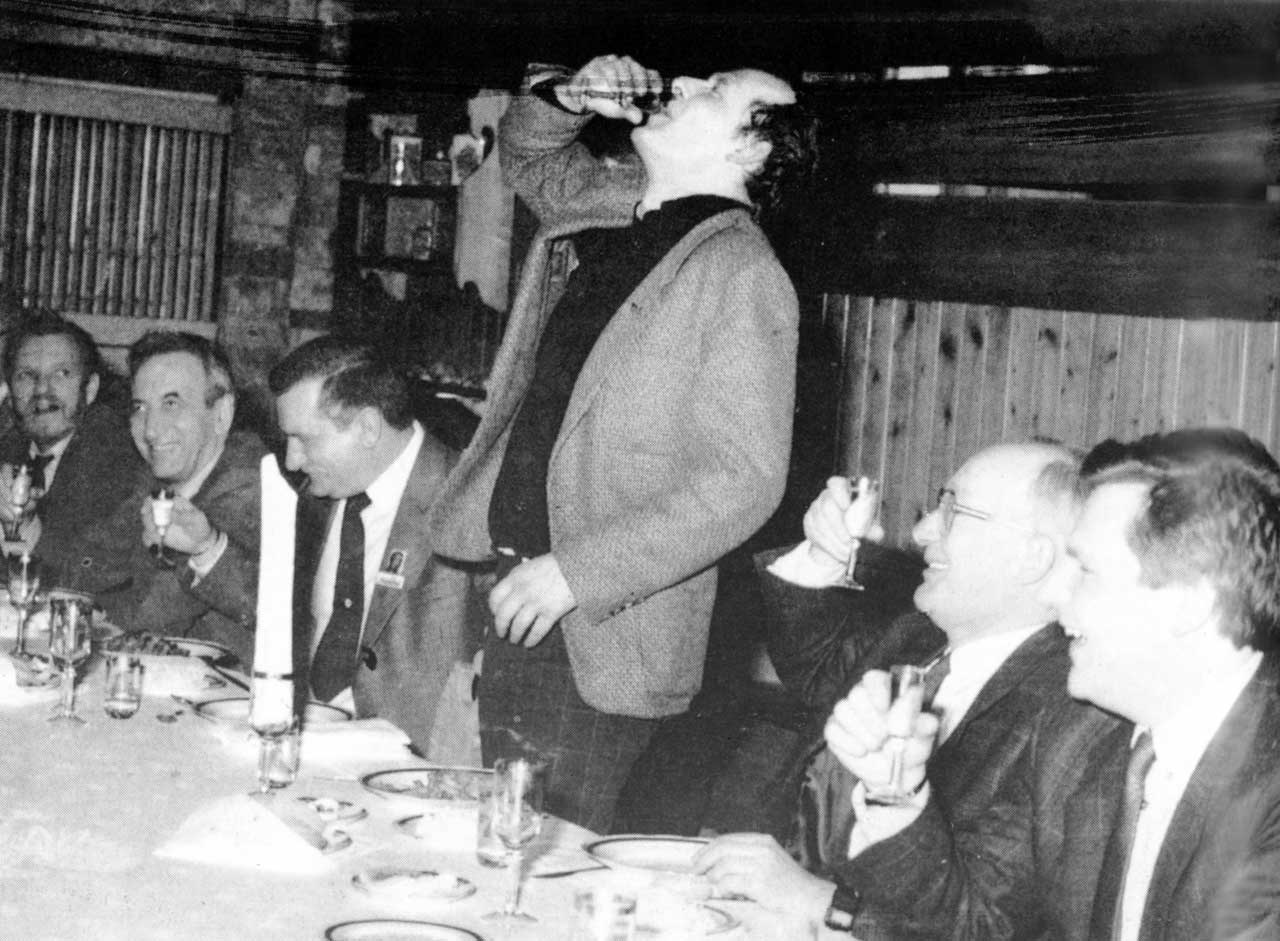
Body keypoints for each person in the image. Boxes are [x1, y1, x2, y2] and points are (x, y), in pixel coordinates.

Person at [428, 53, 818, 832]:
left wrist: (576, 574)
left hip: (595, 630)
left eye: (714, 91)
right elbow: (530, 154)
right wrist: (572, 95)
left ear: (752, 147)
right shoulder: (615, 206)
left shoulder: (742, 270)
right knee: (503, 840)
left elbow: (742, 479)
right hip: (521, 593)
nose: (682, 84)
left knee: (549, 862)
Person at [822, 427, 1280, 940]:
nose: (1054, 593)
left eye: (1085, 570)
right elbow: (977, 927)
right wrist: (896, 790)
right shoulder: (1076, 739)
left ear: (1191, 604)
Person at [693, 441, 1084, 927]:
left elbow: (988, 925)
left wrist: (823, 903)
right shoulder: (917, 636)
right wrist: (823, 556)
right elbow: (816, 666)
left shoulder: (1065, 714)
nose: (922, 531)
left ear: (1032, 557)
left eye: (953, 510)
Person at [269, 335, 476, 760]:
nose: (291, 460)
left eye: (304, 439)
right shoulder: (313, 497)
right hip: (304, 746)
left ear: (367, 427)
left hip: (412, 766)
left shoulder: (469, 502)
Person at [68, 331, 263, 667]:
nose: (150, 430)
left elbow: (151, 617)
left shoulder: (249, 486)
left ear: (221, 413)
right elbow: (83, 564)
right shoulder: (156, 481)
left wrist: (89, 609)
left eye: (171, 404)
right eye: (140, 408)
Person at [0, 312, 142, 562]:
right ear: (9, 392)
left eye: (61, 374)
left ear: (90, 389)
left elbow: (85, 568)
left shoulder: (118, 466)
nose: (42, 389)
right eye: (26, 375)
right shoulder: (7, 454)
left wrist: (25, 525)